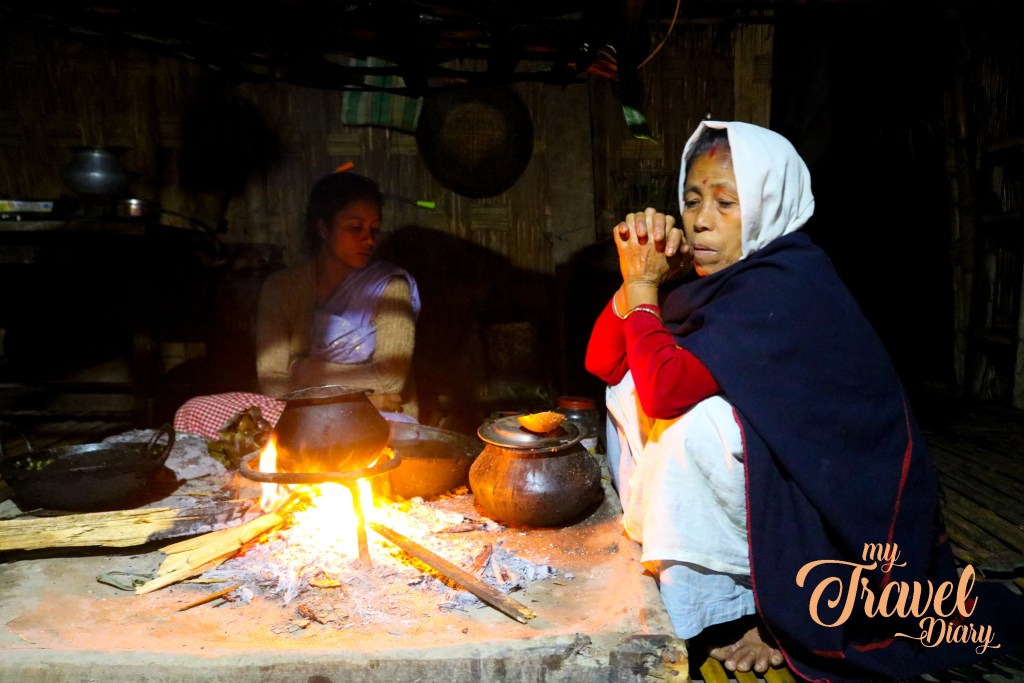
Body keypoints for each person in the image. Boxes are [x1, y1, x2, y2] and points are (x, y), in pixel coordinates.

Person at [585, 120, 1023, 682]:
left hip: (842, 517)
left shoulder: (783, 284)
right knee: (629, 389)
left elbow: (669, 388)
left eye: (725, 203)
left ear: (769, 205)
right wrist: (634, 282)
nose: (699, 219)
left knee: (689, 424)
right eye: (692, 199)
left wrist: (646, 294)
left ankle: (751, 613)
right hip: (783, 481)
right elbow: (606, 362)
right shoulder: (717, 279)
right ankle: (714, 591)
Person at [174, 170, 420, 439]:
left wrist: (307, 371)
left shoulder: (390, 287)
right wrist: (366, 397)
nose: (369, 239)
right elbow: (272, 382)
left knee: (380, 441)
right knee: (194, 410)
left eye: (374, 229)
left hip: (377, 420)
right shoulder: (282, 288)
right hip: (300, 412)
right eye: (354, 227)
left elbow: (391, 378)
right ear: (323, 228)